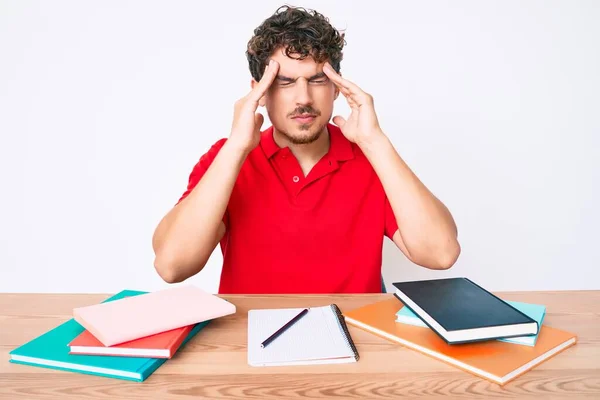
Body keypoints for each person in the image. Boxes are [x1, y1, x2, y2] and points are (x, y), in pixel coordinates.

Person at [152, 5, 460, 294]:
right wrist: (236, 148)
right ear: (258, 92)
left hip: (356, 339)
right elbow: (172, 266)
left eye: (316, 80)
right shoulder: (228, 157)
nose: (304, 98)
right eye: (284, 82)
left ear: (336, 87)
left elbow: (441, 253)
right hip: (250, 338)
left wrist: (375, 142)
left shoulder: (371, 156)